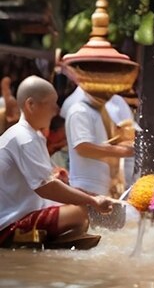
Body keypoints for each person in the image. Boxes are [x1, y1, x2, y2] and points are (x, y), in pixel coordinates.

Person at [0, 76, 112, 247]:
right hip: (9, 224)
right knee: (79, 211)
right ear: (31, 105)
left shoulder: (31, 135)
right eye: (51, 104)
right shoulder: (24, 138)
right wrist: (91, 200)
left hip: (21, 214)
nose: (56, 110)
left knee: (79, 204)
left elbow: (47, 181)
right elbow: (47, 188)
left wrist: (66, 183)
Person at [64, 86, 135, 197]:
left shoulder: (104, 109)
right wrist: (125, 151)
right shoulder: (79, 110)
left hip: (106, 189)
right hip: (87, 190)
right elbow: (83, 148)